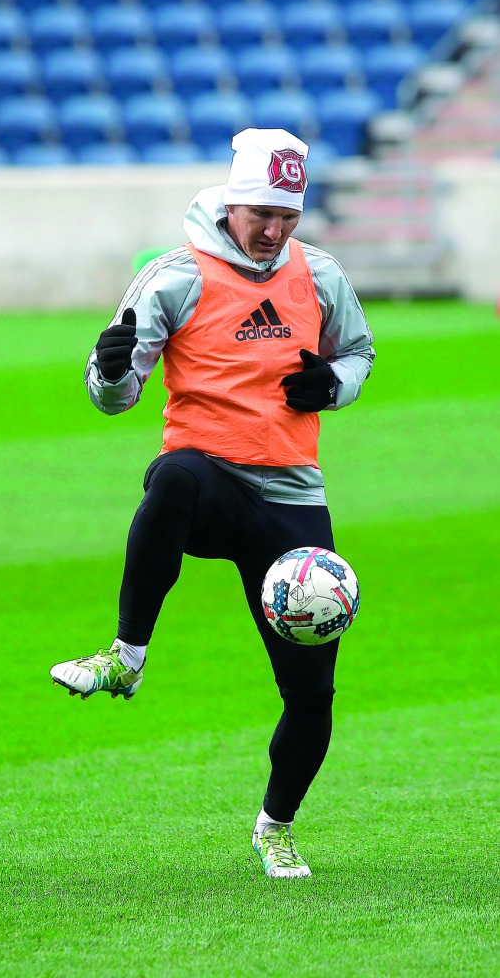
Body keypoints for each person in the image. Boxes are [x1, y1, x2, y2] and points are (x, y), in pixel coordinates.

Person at [50, 128, 375, 879]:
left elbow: (358, 352)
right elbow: (117, 393)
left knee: (311, 695)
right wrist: (105, 374)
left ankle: (275, 827)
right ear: (231, 201)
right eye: (261, 212)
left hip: (292, 497)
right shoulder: (174, 276)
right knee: (173, 478)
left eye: (287, 217)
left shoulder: (319, 274)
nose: (272, 230)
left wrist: (334, 384)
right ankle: (126, 658)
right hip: (211, 482)